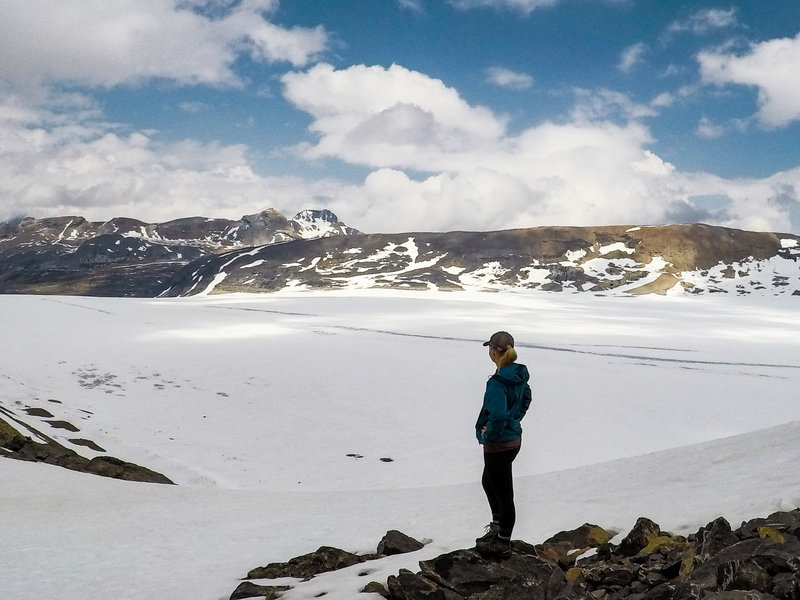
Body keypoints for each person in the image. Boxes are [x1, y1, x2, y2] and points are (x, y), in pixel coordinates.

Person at [474, 331, 532, 558]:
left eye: (490, 348)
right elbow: (526, 398)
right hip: (512, 440)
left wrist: (491, 434)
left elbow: (497, 415)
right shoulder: (517, 375)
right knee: (489, 481)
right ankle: (498, 528)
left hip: (499, 444)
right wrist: (514, 419)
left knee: (502, 490)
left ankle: (502, 542)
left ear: (494, 352)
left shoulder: (498, 382)